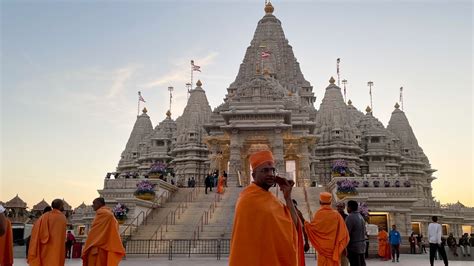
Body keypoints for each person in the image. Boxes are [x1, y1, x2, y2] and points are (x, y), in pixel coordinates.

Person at [229, 150, 304, 266]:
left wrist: (288, 198)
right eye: (265, 170)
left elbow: (294, 226)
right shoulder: (247, 199)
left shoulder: (273, 200)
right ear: (253, 175)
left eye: (272, 170)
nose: (270, 174)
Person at [304, 192, 349, 266]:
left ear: (320, 202)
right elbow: (344, 235)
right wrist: (343, 247)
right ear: (331, 202)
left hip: (322, 251)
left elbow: (312, 229)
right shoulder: (337, 215)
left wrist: (305, 224)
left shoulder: (318, 214)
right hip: (334, 250)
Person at [82, 197, 125, 266]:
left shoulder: (103, 213)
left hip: (98, 247)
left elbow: (94, 232)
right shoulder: (106, 213)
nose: (92, 205)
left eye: (94, 203)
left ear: (99, 203)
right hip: (100, 247)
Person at [28, 199, 67, 266]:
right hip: (57, 249)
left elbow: (35, 229)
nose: (63, 207)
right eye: (63, 205)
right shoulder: (62, 218)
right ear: (60, 206)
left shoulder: (44, 216)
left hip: (45, 248)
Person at [345, 200, 366, 266]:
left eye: (347, 207)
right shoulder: (360, 216)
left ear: (349, 207)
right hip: (362, 246)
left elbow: (346, 233)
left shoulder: (350, 217)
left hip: (354, 247)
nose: (347, 208)